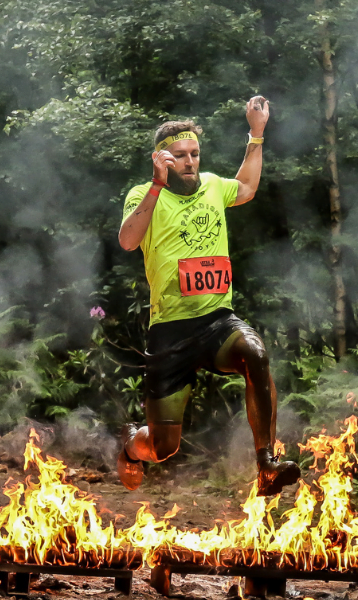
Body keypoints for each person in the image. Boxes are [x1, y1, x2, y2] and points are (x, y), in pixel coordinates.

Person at [116, 96, 300, 497]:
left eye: (194, 154)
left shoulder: (214, 186)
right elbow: (128, 241)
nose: (189, 162)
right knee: (164, 448)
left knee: (255, 352)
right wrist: (155, 187)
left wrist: (256, 133)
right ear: (161, 158)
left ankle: (266, 463)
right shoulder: (143, 194)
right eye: (179, 155)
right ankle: (131, 443)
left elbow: (248, 186)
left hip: (217, 321)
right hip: (170, 331)